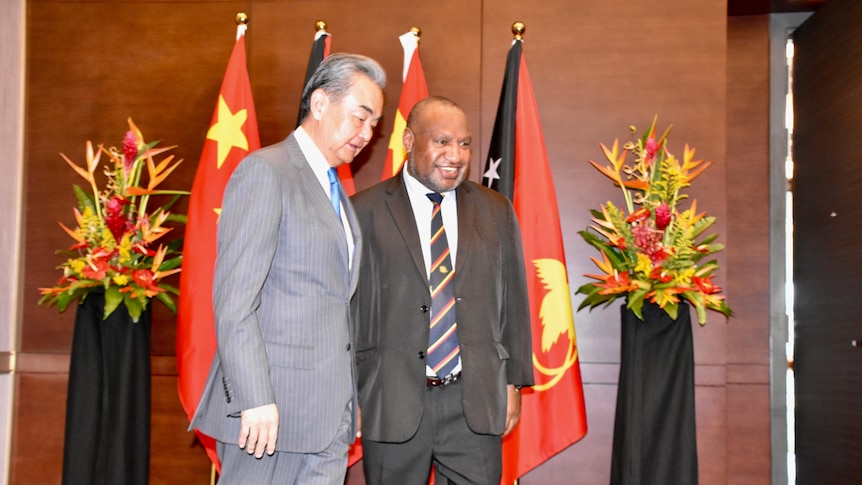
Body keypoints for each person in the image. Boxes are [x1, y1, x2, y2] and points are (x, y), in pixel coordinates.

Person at [189, 53, 385, 484]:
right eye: (360, 117)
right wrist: (254, 398)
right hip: (268, 420)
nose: (368, 134)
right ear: (319, 104)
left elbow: (335, 308)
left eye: (375, 125)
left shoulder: (335, 192)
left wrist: (347, 404)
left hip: (327, 423)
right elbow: (235, 303)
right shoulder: (266, 172)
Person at [351, 96, 534, 484]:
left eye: (465, 144)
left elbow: (514, 302)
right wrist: (350, 392)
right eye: (442, 142)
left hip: (474, 400)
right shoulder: (362, 212)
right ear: (408, 141)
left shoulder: (495, 210)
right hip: (391, 397)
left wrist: (513, 382)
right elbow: (347, 313)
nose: (455, 155)